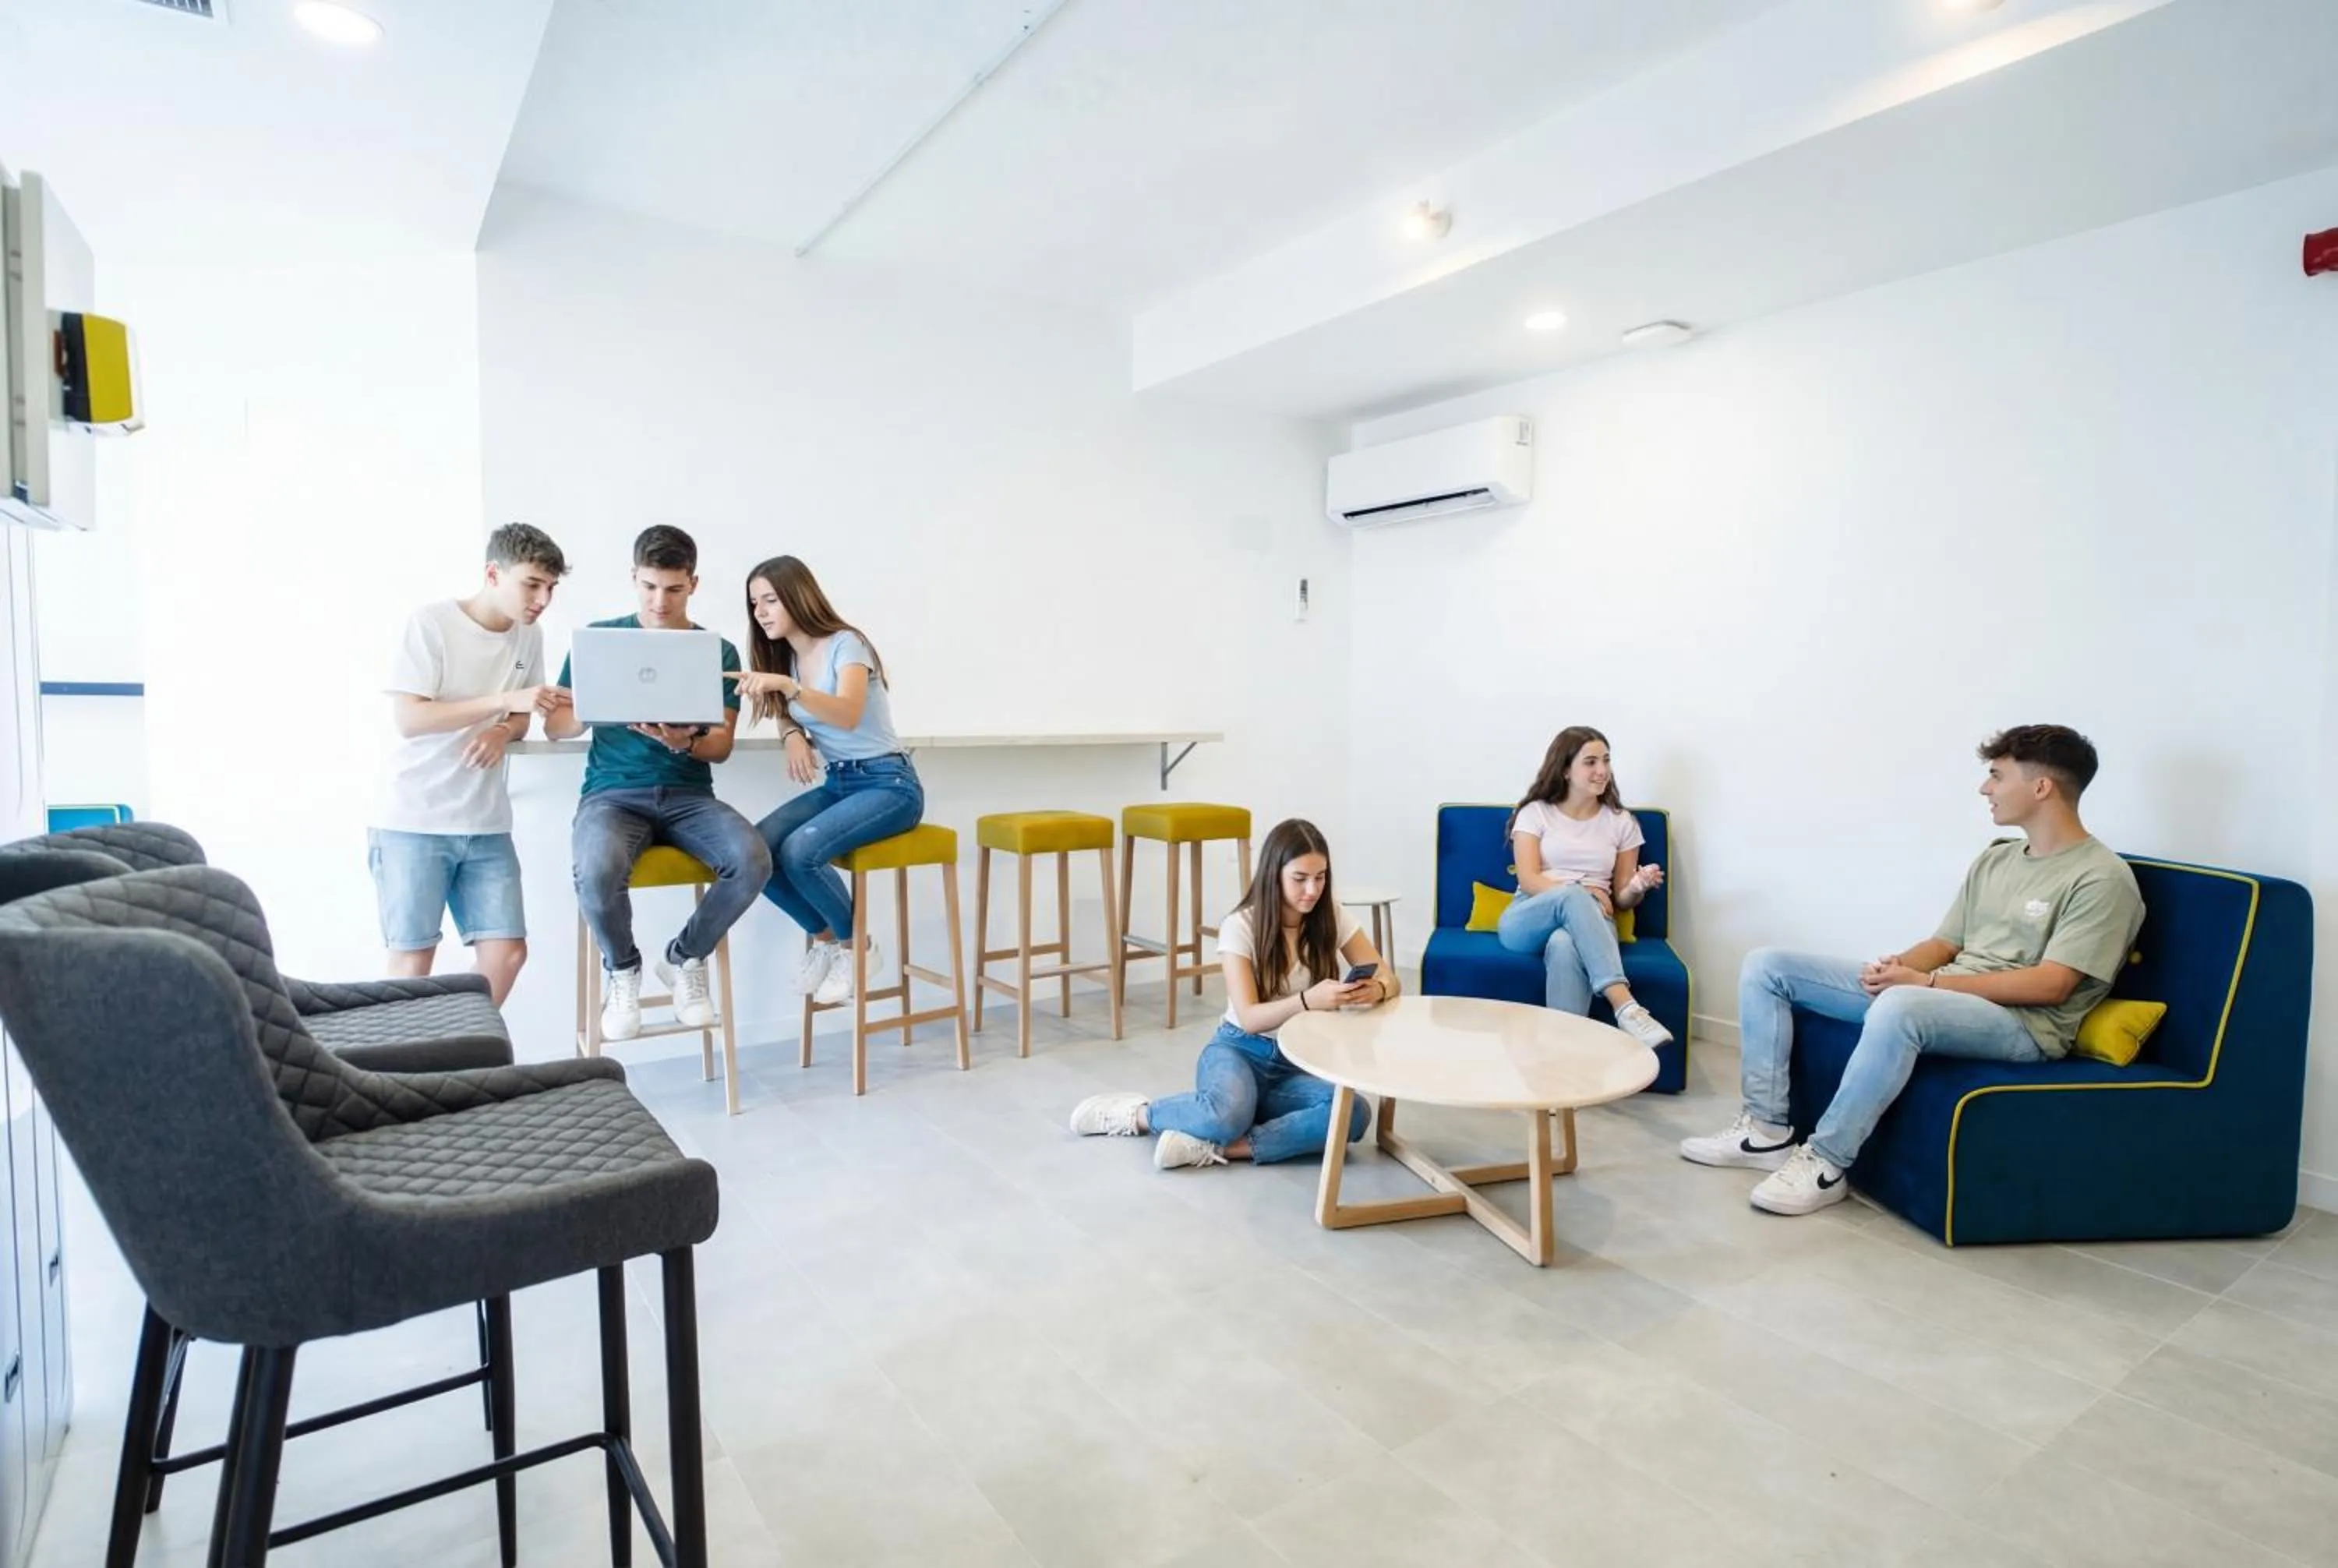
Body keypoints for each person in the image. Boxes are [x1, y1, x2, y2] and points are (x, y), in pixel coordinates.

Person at [1683, 724, 2144, 1216]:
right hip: (1941, 995)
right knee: (1768, 966)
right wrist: (1899, 966)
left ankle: (1826, 1160)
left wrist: (1924, 985)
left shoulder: (2101, 878)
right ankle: (1766, 1131)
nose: (1985, 788)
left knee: (1903, 1006)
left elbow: (2053, 984)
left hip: (2024, 1026)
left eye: (1996, 776)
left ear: (2041, 787)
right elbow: (1946, 943)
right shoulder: (1999, 859)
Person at [543, 525, 771, 1041]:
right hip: (612, 796)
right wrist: (589, 707)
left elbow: (722, 746)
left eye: (672, 589)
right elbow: (556, 729)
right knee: (597, 868)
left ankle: (685, 958)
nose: (659, 601)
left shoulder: (719, 652)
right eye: (649, 587)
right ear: (633, 578)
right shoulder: (600, 640)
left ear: (693, 583)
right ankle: (622, 970)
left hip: (689, 795)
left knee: (753, 859)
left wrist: (681, 742)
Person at [1068, 818, 1398, 1170]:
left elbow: (1390, 978)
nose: (1312, 890)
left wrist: (1375, 988)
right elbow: (1251, 1018)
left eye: (1320, 877)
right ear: (1274, 874)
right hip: (1240, 1048)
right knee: (1225, 1114)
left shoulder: (1330, 915)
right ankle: (1138, 1115)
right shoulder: (1240, 926)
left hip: (1297, 1060)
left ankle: (1220, 1148)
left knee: (1355, 1114)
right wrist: (1307, 1000)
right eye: (1300, 879)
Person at [368, 522, 570, 1005]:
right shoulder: (431, 624)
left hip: (485, 823)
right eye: (532, 585)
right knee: (412, 964)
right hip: (413, 820)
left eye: (551, 588)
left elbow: (522, 716)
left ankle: (461, 1054)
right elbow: (410, 718)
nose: (542, 599)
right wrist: (500, 701)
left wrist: (503, 729)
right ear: (493, 574)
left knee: (507, 953)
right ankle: (409, 1073)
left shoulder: (530, 636)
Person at [728, 556, 922, 1007]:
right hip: (839, 782)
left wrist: (790, 690)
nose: (761, 612)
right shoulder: (787, 661)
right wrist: (792, 732)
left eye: (771, 599)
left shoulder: (847, 644)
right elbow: (787, 713)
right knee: (756, 851)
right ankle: (827, 939)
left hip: (889, 784)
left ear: (798, 595)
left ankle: (858, 948)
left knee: (800, 852)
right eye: (755, 603)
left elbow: (848, 713)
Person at [1494, 726, 1674, 1051]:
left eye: (1606, 761)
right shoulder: (1535, 813)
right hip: (1529, 914)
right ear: (1565, 769)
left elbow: (1621, 899)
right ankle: (1625, 1006)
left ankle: (1562, 1069)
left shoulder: (1622, 822)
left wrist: (1637, 886)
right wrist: (1582, 891)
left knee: (1565, 944)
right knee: (1574, 895)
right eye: (1590, 762)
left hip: (1594, 920)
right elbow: (1529, 879)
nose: (1602, 770)